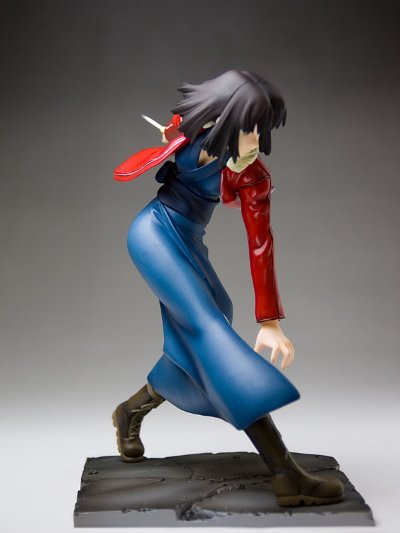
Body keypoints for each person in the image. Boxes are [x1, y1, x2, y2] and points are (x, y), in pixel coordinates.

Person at [112, 70, 344, 507]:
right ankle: (285, 472)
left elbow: (261, 246)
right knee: (211, 337)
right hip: (152, 233)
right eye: (247, 127)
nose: (255, 140)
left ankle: (130, 410)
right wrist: (172, 132)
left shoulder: (252, 177)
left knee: (215, 318)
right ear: (222, 121)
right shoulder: (198, 134)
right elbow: (178, 127)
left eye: (261, 129)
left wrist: (270, 322)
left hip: (188, 241)